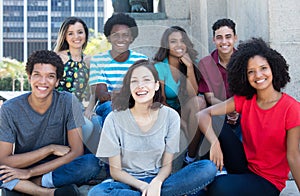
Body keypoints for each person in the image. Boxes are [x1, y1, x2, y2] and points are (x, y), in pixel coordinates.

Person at [88, 59, 217, 196]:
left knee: (207, 168)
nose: (140, 86)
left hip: (159, 181)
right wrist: (143, 186)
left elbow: (167, 166)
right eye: (134, 81)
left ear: (156, 85)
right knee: (97, 192)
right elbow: (116, 171)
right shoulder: (113, 119)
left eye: (146, 80)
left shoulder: (170, 116)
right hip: (127, 183)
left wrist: (156, 183)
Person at [197, 38, 300, 195]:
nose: (258, 75)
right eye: (251, 71)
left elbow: (293, 156)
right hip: (245, 165)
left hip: (268, 181)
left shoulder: (291, 108)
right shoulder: (245, 99)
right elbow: (202, 114)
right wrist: (214, 142)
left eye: (263, 68)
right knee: (213, 127)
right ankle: (210, 176)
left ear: (274, 69)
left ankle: (216, 181)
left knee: (219, 187)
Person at [0, 50, 101, 195]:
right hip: (23, 164)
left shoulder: (68, 101)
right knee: (2, 170)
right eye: (37, 75)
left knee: (91, 163)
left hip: (58, 167)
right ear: (29, 77)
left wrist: (30, 173)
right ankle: (49, 193)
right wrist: (50, 149)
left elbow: (77, 151)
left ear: (57, 81)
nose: (43, 81)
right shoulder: (9, 109)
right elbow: (4, 160)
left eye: (50, 76)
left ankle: (32, 184)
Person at [153, 26, 207, 166]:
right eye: (173, 41)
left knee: (199, 102)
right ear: (166, 45)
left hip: (183, 109)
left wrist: (189, 68)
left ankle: (190, 157)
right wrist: (180, 122)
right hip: (164, 110)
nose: (179, 45)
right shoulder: (161, 67)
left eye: (182, 41)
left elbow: (192, 94)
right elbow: (160, 100)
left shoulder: (190, 64)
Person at [191, 18, 241, 165]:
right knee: (207, 113)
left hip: (242, 111)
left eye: (228, 36)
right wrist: (227, 110)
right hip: (217, 113)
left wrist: (236, 110)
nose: (224, 41)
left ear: (235, 38)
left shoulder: (245, 61)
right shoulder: (206, 63)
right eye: (219, 37)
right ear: (214, 39)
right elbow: (209, 97)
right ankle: (202, 162)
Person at [85, 13, 147, 129]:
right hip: (107, 106)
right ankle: (113, 145)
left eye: (125, 35)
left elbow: (144, 90)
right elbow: (102, 95)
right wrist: (127, 94)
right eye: (115, 35)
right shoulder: (99, 60)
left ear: (132, 38)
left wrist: (118, 95)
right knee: (111, 107)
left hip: (134, 104)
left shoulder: (141, 60)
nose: (120, 39)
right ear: (109, 37)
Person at [53, 16, 102, 152]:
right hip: (60, 108)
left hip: (80, 108)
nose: (76, 36)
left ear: (85, 34)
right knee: (86, 126)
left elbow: (93, 92)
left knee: (96, 121)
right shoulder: (58, 57)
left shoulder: (89, 60)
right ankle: (74, 154)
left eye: (80, 32)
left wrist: (89, 109)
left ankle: (93, 160)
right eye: (71, 33)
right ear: (65, 37)